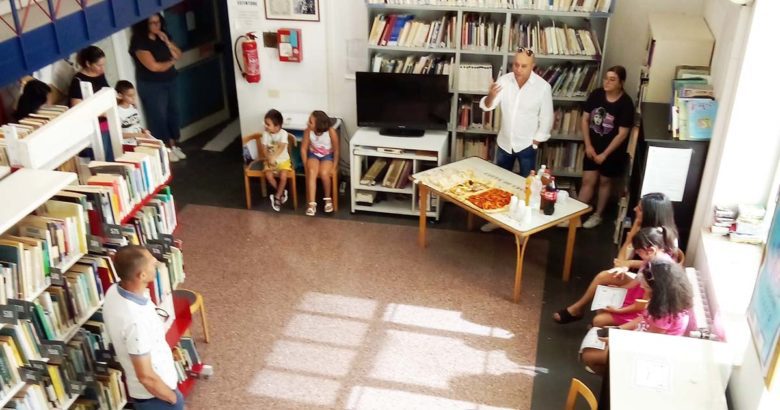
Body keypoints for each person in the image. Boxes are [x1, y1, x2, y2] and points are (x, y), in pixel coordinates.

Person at [553, 192, 677, 324]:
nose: (635, 209)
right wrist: (623, 264)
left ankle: (594, 317)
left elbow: (655, 266)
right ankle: (578, 309)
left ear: (651, 214)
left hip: (647, 288)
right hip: (640, 280)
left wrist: (627, 263)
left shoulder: (664, 239)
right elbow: (625, 251)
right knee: (603, 277)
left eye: (640, 209)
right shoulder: (644, 229)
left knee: (608, 289)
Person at [478, 48, 553, 232]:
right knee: (500, 184)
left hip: (527, 145)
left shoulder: (543, 87)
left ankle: (524, 224)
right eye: (516, 64)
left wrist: (536, 141)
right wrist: (491, 96)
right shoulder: (504, 81)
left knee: (528, 188)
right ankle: (497, 220)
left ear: (532, 66)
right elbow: (487, 107)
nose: (518, 69)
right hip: (505, 143)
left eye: (523, 66)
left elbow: (547, 118)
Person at [102, 246, 184, 409]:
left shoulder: (114, 291)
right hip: (156, 396)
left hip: (157, 391)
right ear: (142, 275)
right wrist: (173, 399)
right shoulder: (135, 321)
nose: (156, 262)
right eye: (152, 264)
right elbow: (146, 376)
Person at [579, 259, 693, 374]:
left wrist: (618, 340)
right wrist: (618, 329)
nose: (643, 289)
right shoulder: (663, 300)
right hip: (639, 337)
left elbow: (649, 342)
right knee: (596, 340)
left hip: (648, 351)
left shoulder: (664, 314)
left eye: (647, 287)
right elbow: (643, 318)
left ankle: (615, 375)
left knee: (588, 356)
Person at [578, 66, 635, 229]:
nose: (607, 82)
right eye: (606, 78)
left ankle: (598, 215)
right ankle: (575, 215)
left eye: (612, 79)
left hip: (611, 152)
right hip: (592, 146)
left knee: (604, 182)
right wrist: (588, 145)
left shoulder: (626, 104)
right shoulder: (596, 95)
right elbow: (585, 120)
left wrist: (605, 154)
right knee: (588, 180)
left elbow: (623, 133)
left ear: (621, 83)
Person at [591, 226, 677, 328]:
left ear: (651, 250)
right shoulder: (651, 259)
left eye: (639, 251)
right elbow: (636, 281)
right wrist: (620, 289)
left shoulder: (657, 271)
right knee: (603, 304)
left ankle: (602, 328)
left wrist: (618, 310)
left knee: (598, 319)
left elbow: (642, 305)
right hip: (636, 296)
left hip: (640, 308)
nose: (636, 253)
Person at [129, 13, 186, 163]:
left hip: (170, 80)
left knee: (174, 112)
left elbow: (179, 54)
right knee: (158, 116)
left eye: (158, 22)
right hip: (152, 84)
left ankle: (174, 145)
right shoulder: (139, 42)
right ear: (144, 25)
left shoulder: (163, 35)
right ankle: (165, 149)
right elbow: (154, 67)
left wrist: (167, 42)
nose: (156, 26)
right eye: (152, 23)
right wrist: (171, 62)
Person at [301, 110, 338, 216]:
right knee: (312, 172)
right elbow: (303, 149)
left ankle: (327, 199)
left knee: (324, 173)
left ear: (319, 125)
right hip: (313, 155)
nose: (308, 123)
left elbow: (336, 150)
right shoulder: (308, 131)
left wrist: (334, 166)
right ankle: (312, 204)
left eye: (310, 122)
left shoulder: (331, 132)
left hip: (327, 156)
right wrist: (305, 164)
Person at [261, 109, 292, 211]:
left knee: (283, 177)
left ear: (277, 126)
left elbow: (282, 147)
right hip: (270, 161)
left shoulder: (284, 134)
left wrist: (274, 157)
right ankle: (282, 192)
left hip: (283, 161)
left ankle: (277, 196)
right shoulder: (266, 134)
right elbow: (264, 149)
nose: (266, 126)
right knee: (268, 176)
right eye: (266, 123)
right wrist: (269, 158)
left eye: (268, 124)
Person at [114, 80, 156, 147]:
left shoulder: (133, 108)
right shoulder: (117, 112)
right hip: (128, 145)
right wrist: (137, 135)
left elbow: (135, 124)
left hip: (139, 142)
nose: (133, 98)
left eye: (134, 95)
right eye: (130, 95)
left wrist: (143, 131)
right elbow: (118, 134)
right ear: (120, 95)